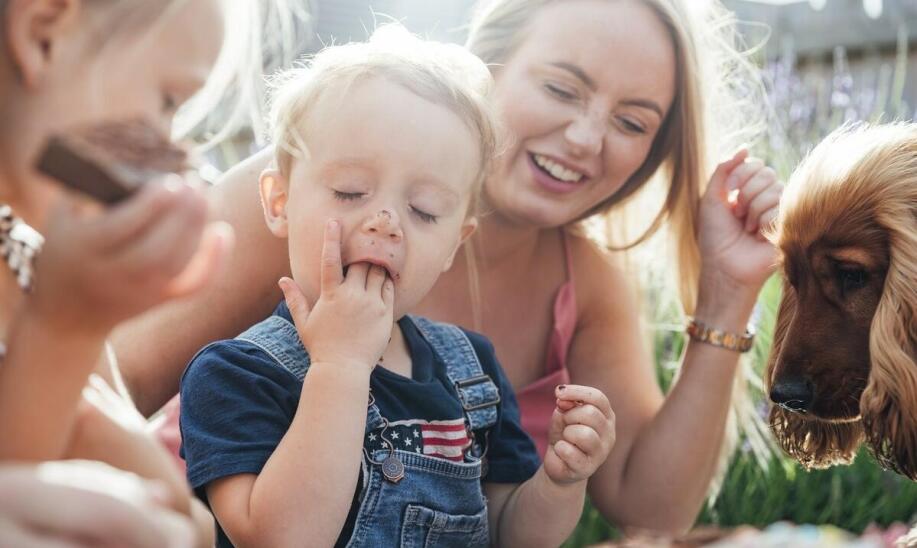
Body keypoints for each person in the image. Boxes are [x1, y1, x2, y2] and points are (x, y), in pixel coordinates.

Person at [116, 0, 782, 534]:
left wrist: (727, 295)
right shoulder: (309, 199)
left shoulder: (581, 284)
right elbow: (105, 385)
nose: (585, 138)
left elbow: (648, 509)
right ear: (485, 67)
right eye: (559, 87)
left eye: (632, 123)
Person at [179, 26, 615, 547]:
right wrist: (340, 366)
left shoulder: (471, 371)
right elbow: (280, 539)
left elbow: (509, 535)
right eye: (350, 191)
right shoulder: (236, 374)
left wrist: (561, 482)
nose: (386, 221)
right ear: (279, 201)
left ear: (456, 241)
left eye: (425, 210)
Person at [0, 0, 292, 544]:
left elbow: (187, 522)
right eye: (168, 101)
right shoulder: (57, 293)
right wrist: (65, 329)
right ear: (42, 35)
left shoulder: (30, 259)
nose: (173, 148)